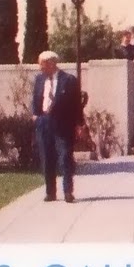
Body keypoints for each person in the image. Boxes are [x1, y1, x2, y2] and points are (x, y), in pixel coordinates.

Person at [31, 51, 82, 202]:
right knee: (47, 158)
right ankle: (50, 192)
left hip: (63, 124)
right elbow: (36, 98)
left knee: (65, 157)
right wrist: (35, 115)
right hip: (44, 122)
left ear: (51, 63)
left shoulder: (69, 80)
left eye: (42, 64)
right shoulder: (40, 79)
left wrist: (79, 124)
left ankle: (68, 191)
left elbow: (76, 105)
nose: (40, 68)